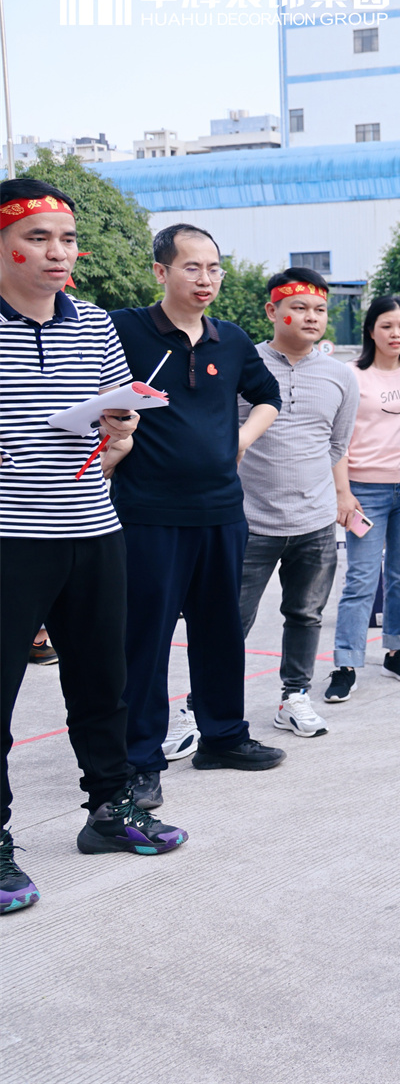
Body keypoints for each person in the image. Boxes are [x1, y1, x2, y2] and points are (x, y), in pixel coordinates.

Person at [1, 180, 189, 912]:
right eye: (39, 238)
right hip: (11, 540)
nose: (59, 252)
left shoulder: (94, 326)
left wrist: (121, 431)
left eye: (68, 239)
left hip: (93, 528)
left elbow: (120, 429)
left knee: (102, 685)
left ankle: (110, 810)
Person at [110, 223, 287, 804]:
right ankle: (139, 760)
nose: (205, 279)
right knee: (146, 640)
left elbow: (268, 396)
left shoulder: (229, 339)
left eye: (213, 268)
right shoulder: (123, 329)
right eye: (192, 267)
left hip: (222, 511)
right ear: (160, 272)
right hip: (148, 514)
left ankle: (224, 736)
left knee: (220, 632)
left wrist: (241, 440)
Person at [234, 268, 358, 738]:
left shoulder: (340, 375)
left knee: (306, 615)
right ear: (273, 310)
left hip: (315, 523)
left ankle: (295, 696)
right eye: (299, 307)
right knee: (231, 619)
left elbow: (336, 444)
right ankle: (206, 702)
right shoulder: (244, 365)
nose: (311, 317)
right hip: (249, 521)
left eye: (320, 309)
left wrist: (336, 495)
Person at [327, 295, 400, 700]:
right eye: (387, 326)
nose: (396, 334)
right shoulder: (350, 374)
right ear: (370, 330)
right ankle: (346, 663)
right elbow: (336, 438)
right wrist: (343, 493)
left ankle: (396, 651)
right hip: (365, 492)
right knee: (361, 578)